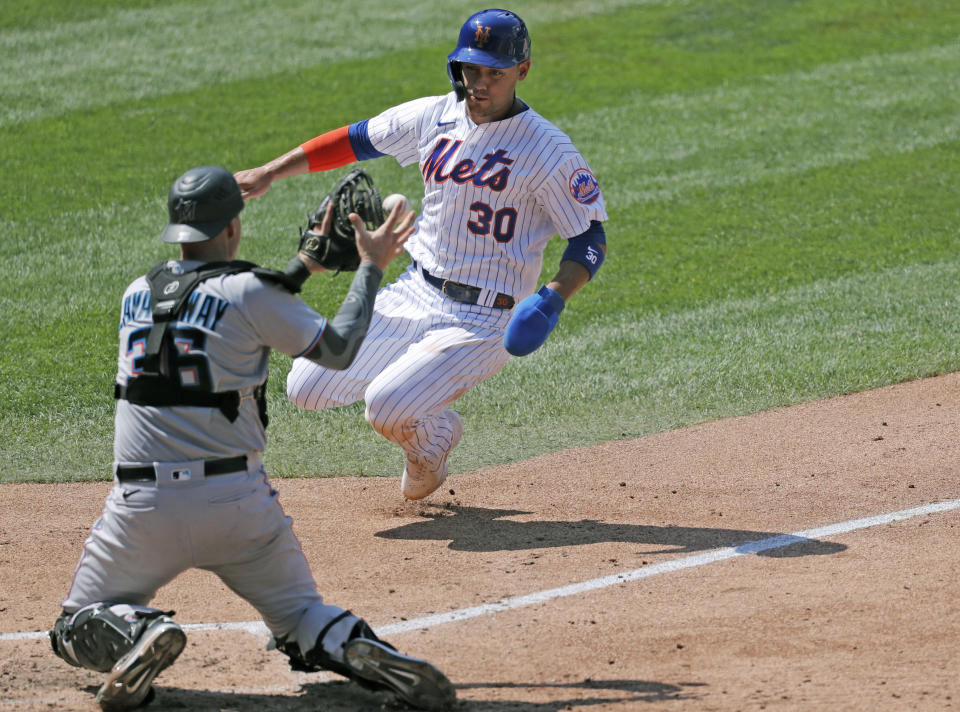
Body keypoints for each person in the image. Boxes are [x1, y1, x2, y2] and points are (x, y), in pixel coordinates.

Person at [48, 165, 456, 712]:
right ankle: (349, 644)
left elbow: (223, 306)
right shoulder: (251, 295)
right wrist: (370, 267)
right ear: (233, 228)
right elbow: (333, 350)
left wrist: (305, 265)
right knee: (299, 616)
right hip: (240, 507)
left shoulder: (136, 296)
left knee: (74, 624)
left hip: (141, 511)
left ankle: (134, 631)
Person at [234, 8, 609, 501]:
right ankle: (433, 427)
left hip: (484, 317)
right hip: (416, 290)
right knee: (307, 386)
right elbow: (355, 139)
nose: (479, 82)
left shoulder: (548, 151)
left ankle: (430, 444)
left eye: (494, 72)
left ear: (522, 70)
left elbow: (589, 238)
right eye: (471, 69)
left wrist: (553, 298)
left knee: (385, 406)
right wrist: (269, 171)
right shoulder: (434, 116)